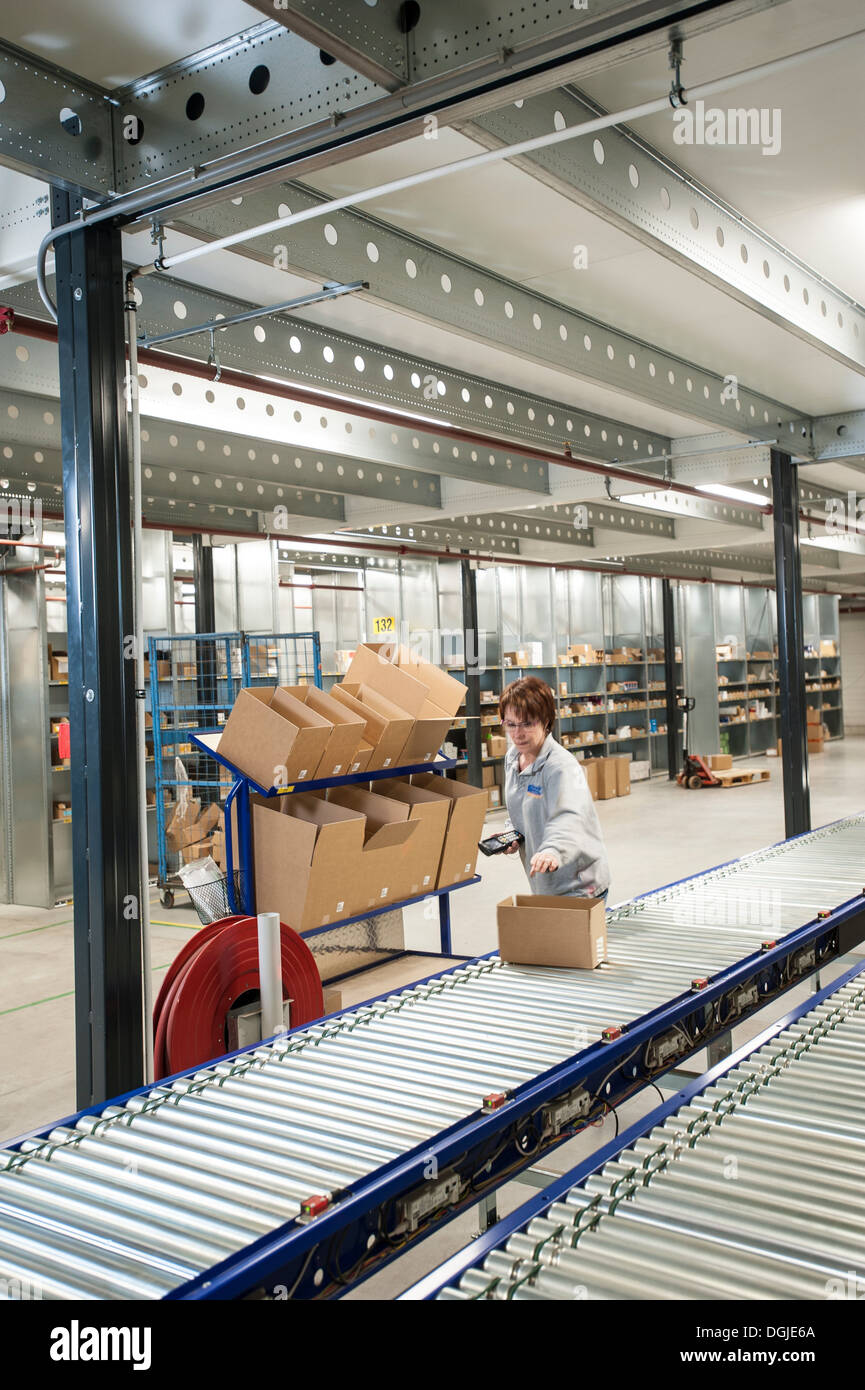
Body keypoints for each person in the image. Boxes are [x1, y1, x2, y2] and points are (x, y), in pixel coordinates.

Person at [500, 675, 610, 900]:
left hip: (578, 886)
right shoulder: (513, 759)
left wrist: (552, 850)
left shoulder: (561, 766)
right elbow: (521, 807)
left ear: (546, 721)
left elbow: (569, 818)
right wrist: (512, 833)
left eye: (527, 724)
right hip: (545, 881)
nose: (517, 734)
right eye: (511, 724)